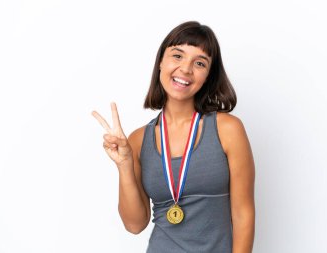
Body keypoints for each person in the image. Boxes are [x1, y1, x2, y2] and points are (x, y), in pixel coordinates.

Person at [92, 21, 255, 253]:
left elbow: (243, 214)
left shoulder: (228, 129)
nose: (186, 68)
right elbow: (135, 224)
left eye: (199, 63)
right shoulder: (138, 140)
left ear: (208, 75)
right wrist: (125, 165)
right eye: (177, 56)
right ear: (161, 62)